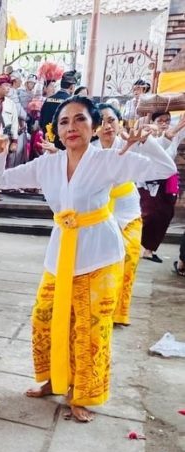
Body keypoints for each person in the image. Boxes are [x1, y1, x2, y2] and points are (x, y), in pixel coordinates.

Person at [0, 96, 176, 422]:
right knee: (45, 316)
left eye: (80, 119)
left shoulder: (108, 160)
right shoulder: (47, 165)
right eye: (64, 121)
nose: (71, 127)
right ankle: (52, 378)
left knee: (90, 328)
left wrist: (145, 143)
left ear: (93, 125)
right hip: (60, 253)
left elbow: (165, 169)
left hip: (99, 254)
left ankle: (82, 393)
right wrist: (0, 151)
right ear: (56, 129)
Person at [93, 103, 143, 326]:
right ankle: (101, 306)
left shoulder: (132, 145)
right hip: (100, 214)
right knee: (103, 264)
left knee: (129, 259)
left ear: (120, 122)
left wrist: (144, 142)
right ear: (94, 127)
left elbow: (163, 160)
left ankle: (120, 312)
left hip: (128, 211)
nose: (107, 126)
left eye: (111, 120)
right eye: (101, 122)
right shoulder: (90, 152)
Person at [138, 111, 185, 263]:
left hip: (167, 181)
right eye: (160, 120)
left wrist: (177, 128)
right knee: (149, 215)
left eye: (167, 120)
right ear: (153, 121)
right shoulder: (148, 135)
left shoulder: (174, 134)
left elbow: (181, 128)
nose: (164, 123)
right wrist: (165, 135)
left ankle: (149, 249)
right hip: (149, 181)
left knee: (165, 214)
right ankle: (137, 246)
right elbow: (153, 151)